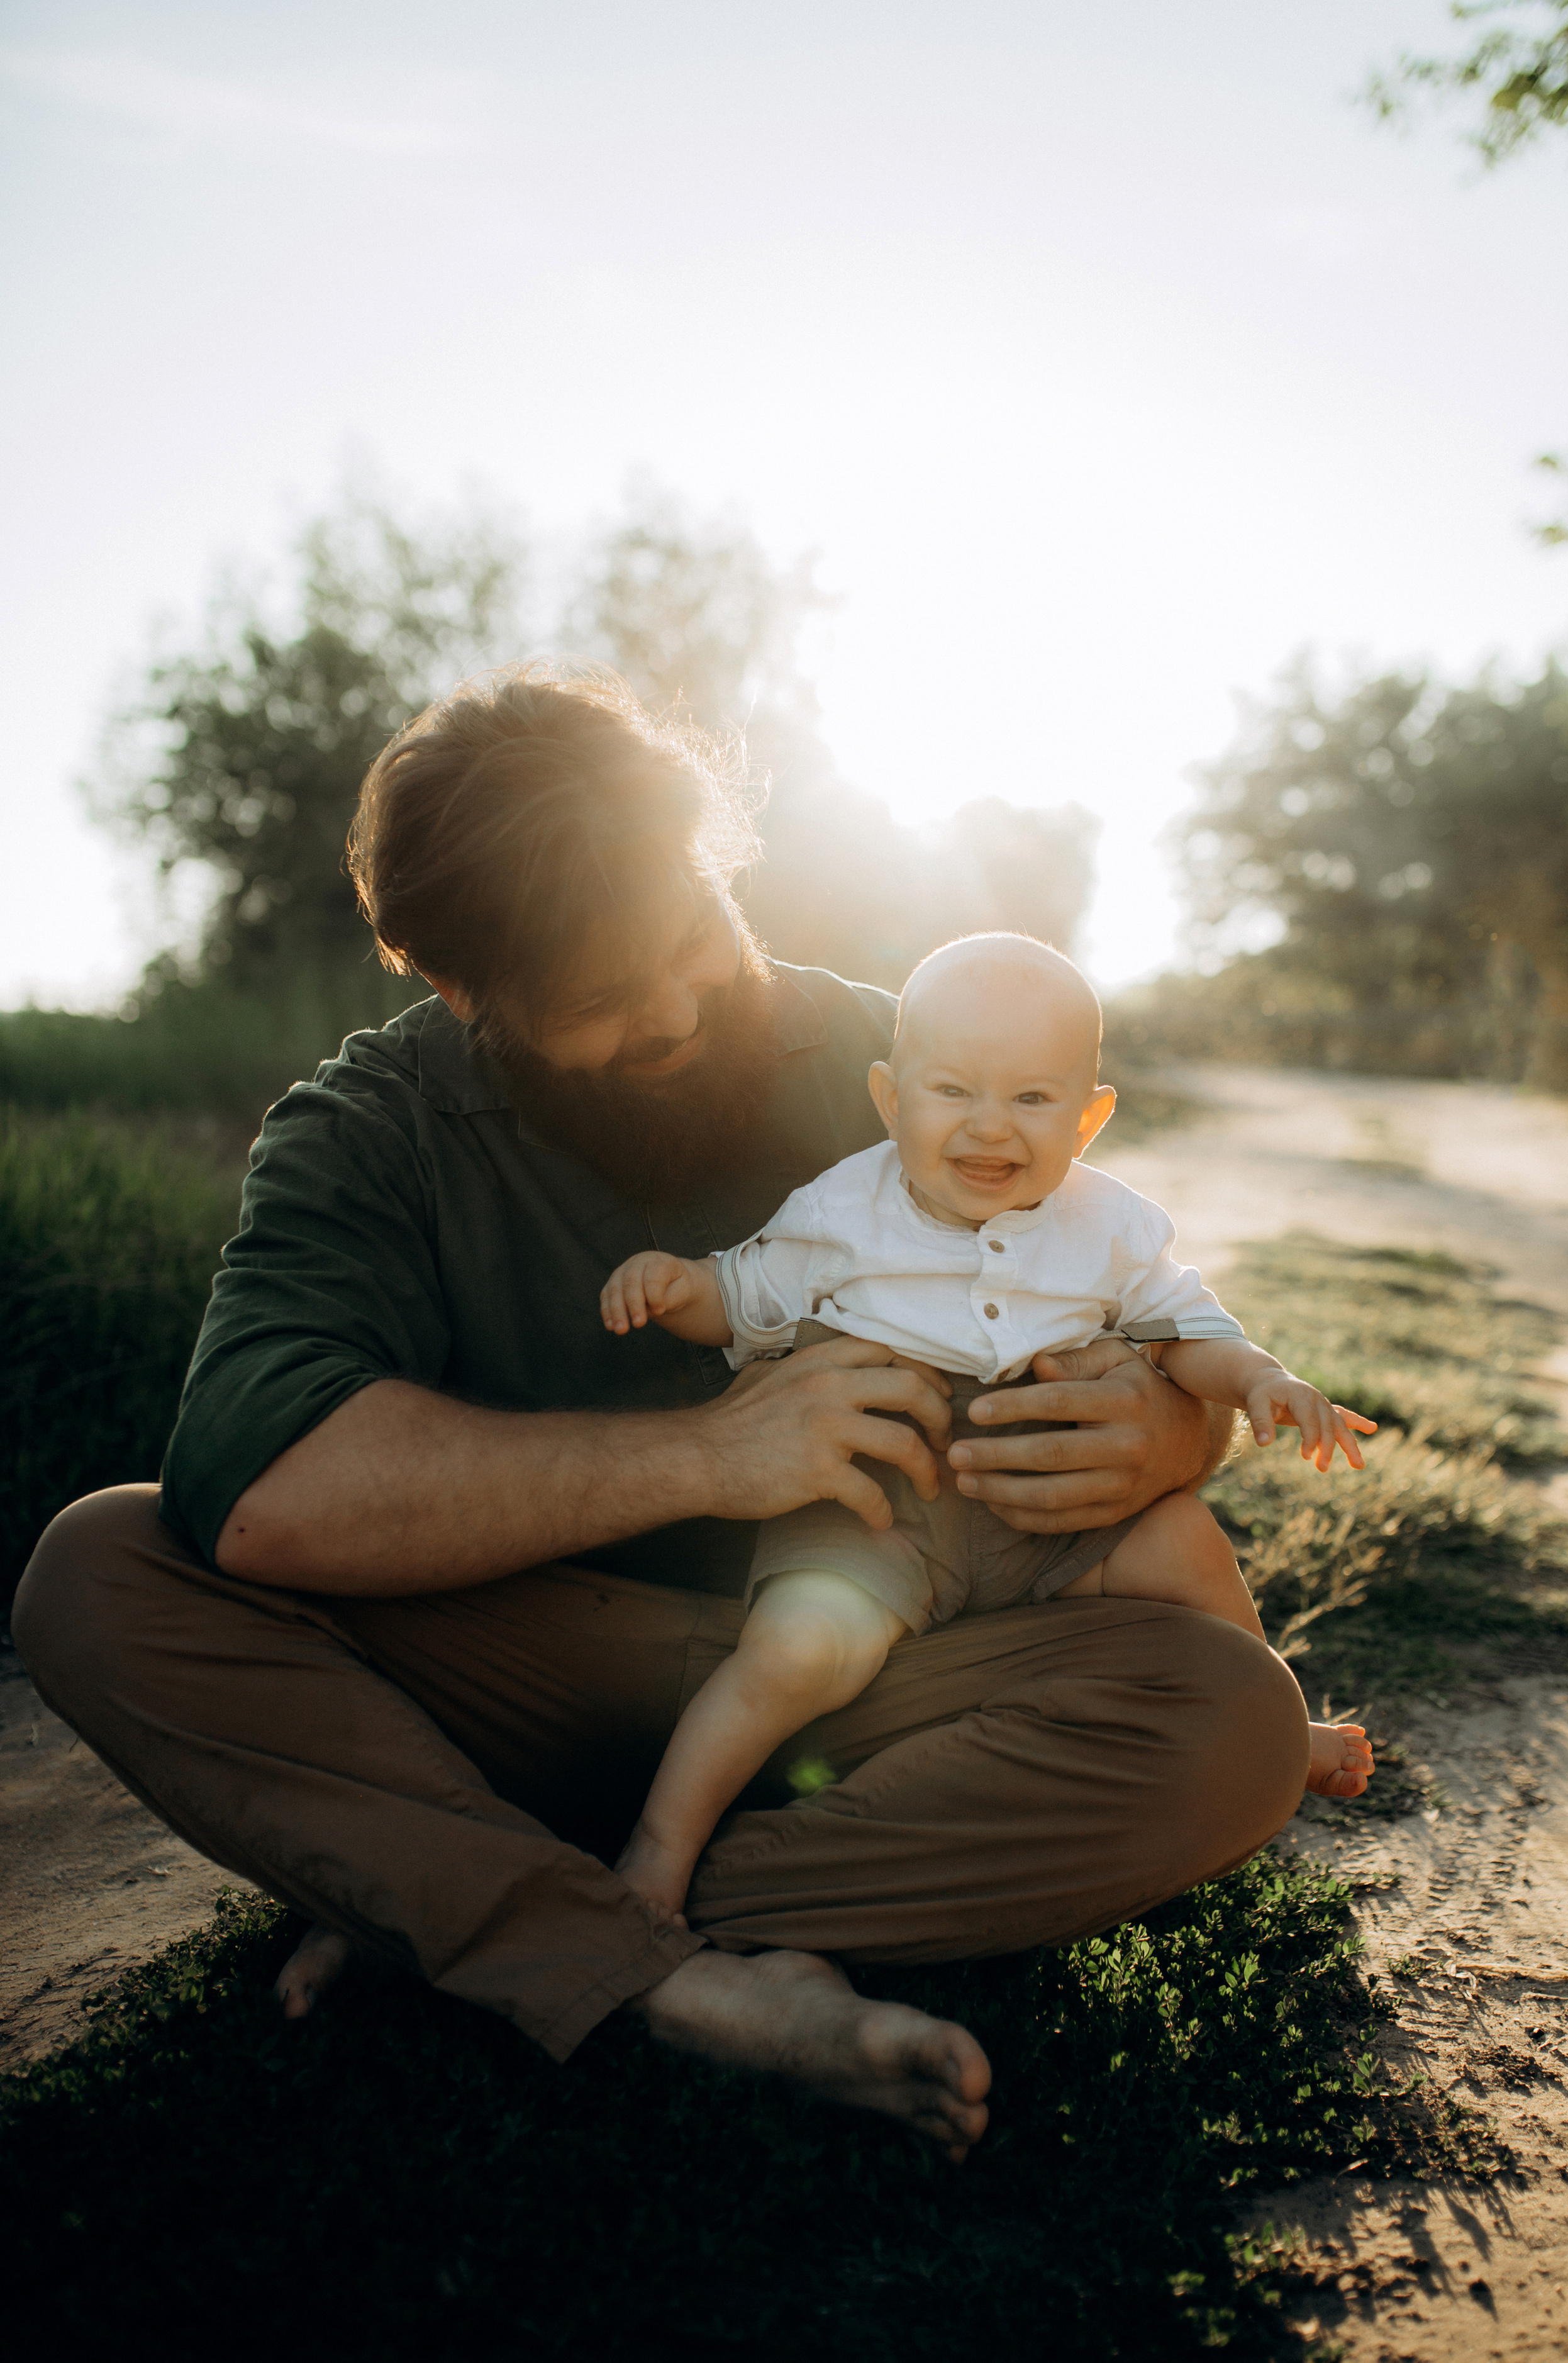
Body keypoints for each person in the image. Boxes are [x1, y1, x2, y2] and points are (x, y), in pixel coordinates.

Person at [13, 665, 1313, 2166]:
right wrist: (711, 1453)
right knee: (102, 1574)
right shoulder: (365, 1132)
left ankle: (468, 1895)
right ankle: (676, 1973)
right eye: (600, 999)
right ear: (461, 991)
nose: (678, 1011)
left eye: (694, 935)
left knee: (1229, 1717)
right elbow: (258, 1494)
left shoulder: (902, 1061)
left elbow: (1140, 1310)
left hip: (879, 1679)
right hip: (508, 1680)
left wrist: (1171, 1433)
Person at [600, 934, 1375, 1928]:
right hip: (879, 1506)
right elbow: (743, 1298)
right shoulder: (844, 1210)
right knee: (794, 1653)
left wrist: (1263, 1378)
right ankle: (662, 1845)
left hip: (1048, 1513)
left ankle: (1275, 1715)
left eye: (1032, 1098)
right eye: (953, 1091)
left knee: (1185, 1542)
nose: (989, 1125)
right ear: (891, 1100)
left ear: (1089, 1120)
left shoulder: (1111, 1226)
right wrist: (679, 1288)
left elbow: (1187, 1333)